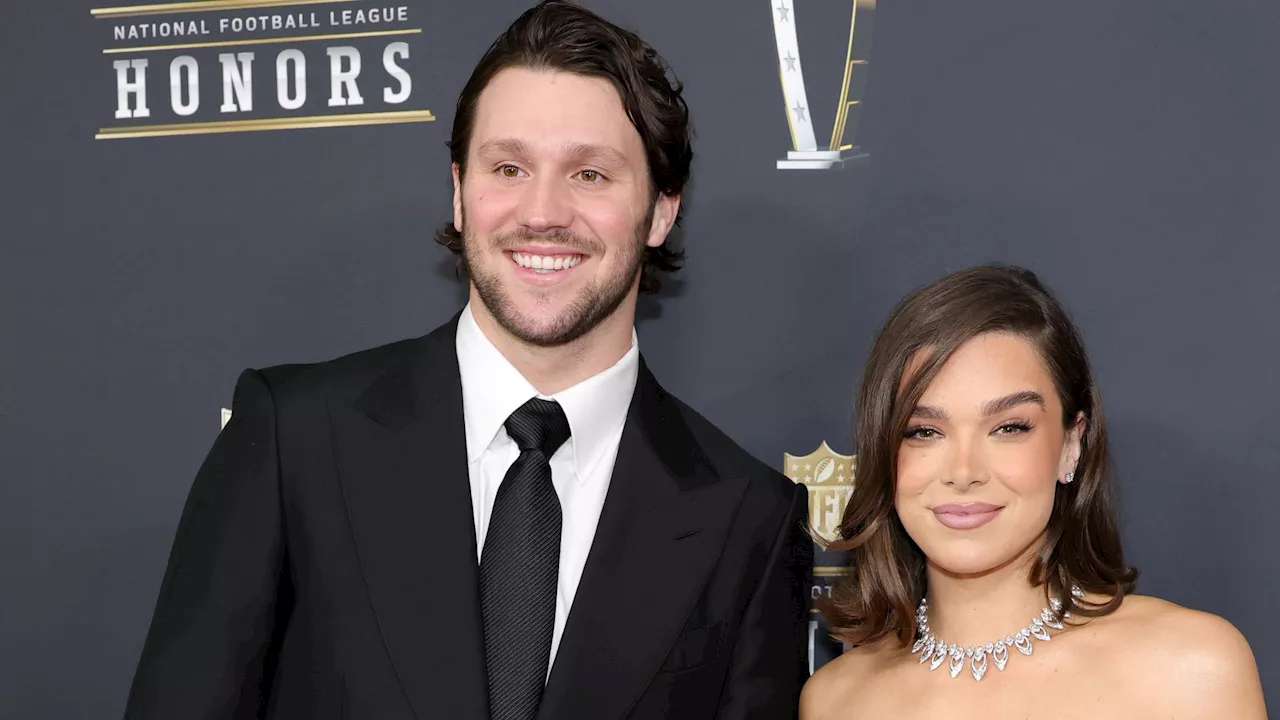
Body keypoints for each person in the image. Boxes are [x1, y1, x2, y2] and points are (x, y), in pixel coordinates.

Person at [122, 2, 812, 719]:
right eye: (509, 167)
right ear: (458, 191)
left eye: (591, 175)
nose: (542, 212)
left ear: (662, 211)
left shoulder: (748, 518)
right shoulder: (292, 440)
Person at [800, 264, 1266, 718]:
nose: (963, 472)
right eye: (924, 431)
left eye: (1008, 427)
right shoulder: (836, 701)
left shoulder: (1191, 670)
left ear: (1070, 444)